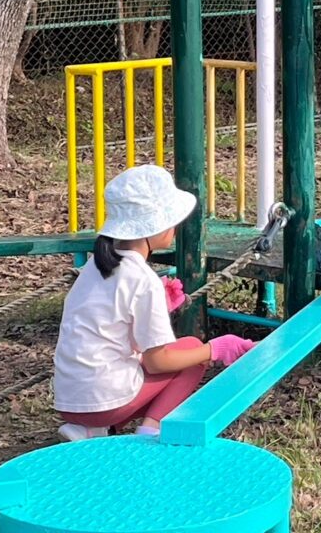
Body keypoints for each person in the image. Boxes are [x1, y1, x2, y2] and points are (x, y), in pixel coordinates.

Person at [52, 164, 255, 441]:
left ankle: (92, 430)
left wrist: (162, 307)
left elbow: (112, 325)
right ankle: (150, 431)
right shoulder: (142, 279)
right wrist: (216, 349)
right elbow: (158, 361)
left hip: (69, 400)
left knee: (174, 355)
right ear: (154, 226)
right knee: (192, 351)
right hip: (103, 399)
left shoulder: (94, 266)